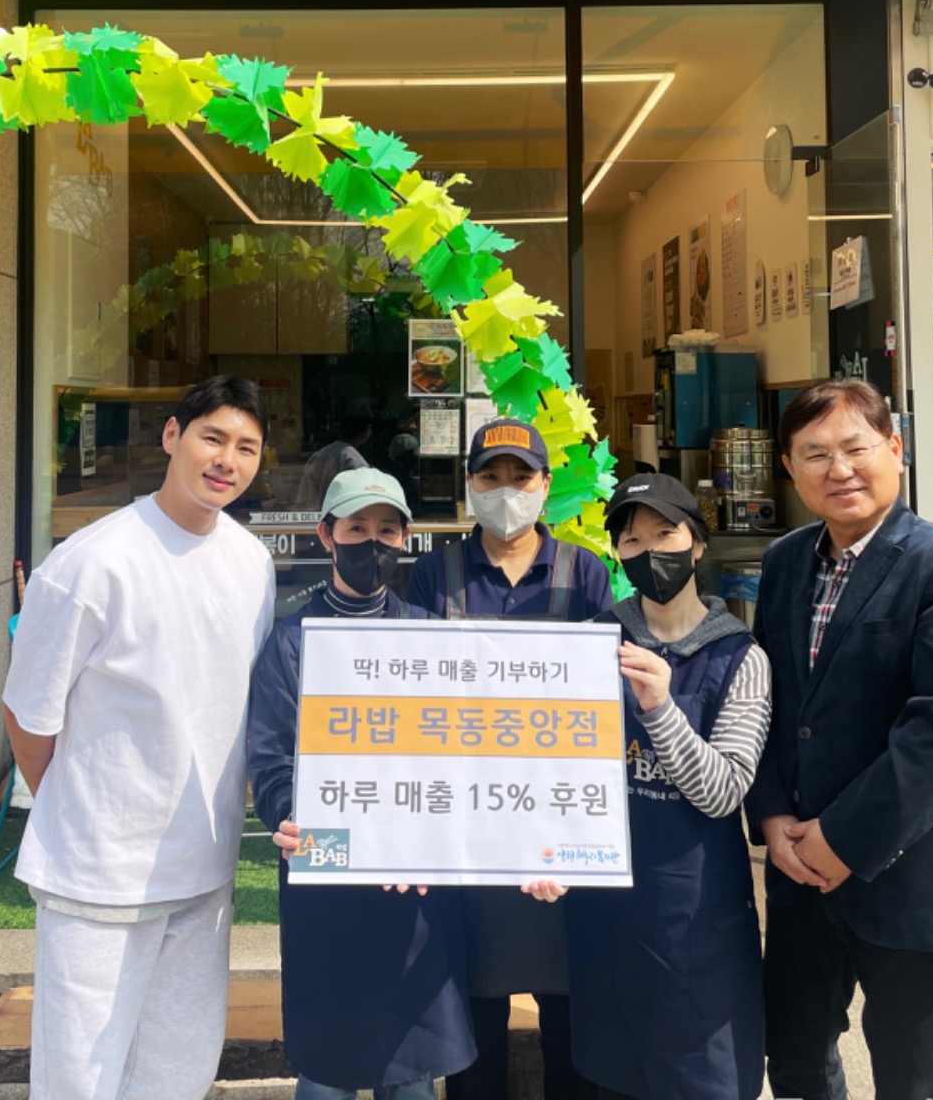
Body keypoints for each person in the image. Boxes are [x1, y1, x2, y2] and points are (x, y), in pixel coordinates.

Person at [2, 376, 276, 1100]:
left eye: (246, 447)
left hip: (204, 868)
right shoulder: (91, 561)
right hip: (99, 875)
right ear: (172, 436)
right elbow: (29, 716)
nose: (227, 460)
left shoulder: (251, 562)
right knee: (80, 1079)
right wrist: (78, 807)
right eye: (212, 438)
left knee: (177, 1071)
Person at [748, 378, 933, 1100]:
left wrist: (840, 840)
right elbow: (767, 700)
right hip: (798, 868)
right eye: (814, 454)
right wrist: (771, 816)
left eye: (855, 448)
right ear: (789, 468)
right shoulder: (784, 563)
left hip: (914, 870)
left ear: (895, 449)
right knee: (795, 1061)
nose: (838, 470)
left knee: (914, 1079)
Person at [247, 468, 475, 1100]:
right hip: (328, 885)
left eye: (386, 530)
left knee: (413, 1074)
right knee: (328, 1072)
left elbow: (460, 757)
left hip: (416, 886)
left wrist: (436, 836)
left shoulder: (431, 635)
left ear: (405, 539)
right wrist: (291, 818)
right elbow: (271, 758)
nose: (372, 543)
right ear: (326, 535)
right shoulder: (292, 641)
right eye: (356, 528)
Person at [406, 418, 613, 1100]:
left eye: (520, 477)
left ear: (545, 485)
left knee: (571, 1014)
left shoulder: (583, 573)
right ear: (469, 485)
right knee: (473, 1016)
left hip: (558, 827)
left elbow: (603, 706)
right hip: (466, 831)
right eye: (489, 477)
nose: (505, 491)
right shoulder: (433, 574)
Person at [557, 472, 768, 1100]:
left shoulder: (741, 657)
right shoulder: (591, 643)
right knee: (614, 1072)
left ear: (697, 543)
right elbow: (557, 770)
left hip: (697, 916)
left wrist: (659, 708)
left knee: (701, 1077)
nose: (649, 551)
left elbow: (724, 791)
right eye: (631, 540)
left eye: (665, 533)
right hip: (606, 911)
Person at [294, 413, 374, 513]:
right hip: (337, 516)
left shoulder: (319, 455)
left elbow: (303, 494)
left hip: (311, 516)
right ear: (367, 432)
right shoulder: (354, 460)